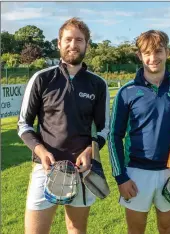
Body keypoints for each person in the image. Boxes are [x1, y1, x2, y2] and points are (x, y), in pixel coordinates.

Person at [17, 17, 110, 234]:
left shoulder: (98, 84)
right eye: (68, 39)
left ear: (87, 45)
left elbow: (104, 129)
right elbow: (24, 124)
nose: (73, 45)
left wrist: (90, 151)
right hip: (45, 168)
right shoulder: (42, 79)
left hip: (82, 170)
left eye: (79, 40)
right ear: (58, 43)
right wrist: (40, 151)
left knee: (76, 230)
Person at [108, 30, 170, 234]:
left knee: (167, 228)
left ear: (167, 52)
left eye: (158, 51)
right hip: (136, 174)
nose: (153, 58)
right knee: (136, 230)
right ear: (139, 56)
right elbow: (114, 136)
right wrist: (121, 177)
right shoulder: (127, 92)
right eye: (147, 52)